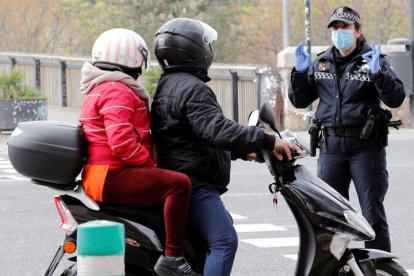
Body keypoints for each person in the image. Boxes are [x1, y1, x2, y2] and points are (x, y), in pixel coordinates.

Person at [151, 18, 299, 276]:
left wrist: (243, 151)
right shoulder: (193, 89)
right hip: (194, 184)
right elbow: (217, 130)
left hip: (181, 174)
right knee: (224, 240)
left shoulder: (168, 84)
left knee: (220, 230)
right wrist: (267, 139)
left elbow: (189, 137)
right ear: (194, 49)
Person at [78, 28, 200, 276]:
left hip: (102, 175)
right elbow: (122, 142)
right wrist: (150, 165)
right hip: (111, 174)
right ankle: (174, 257)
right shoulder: (116, 90)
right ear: (131, 58)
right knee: (179, 184)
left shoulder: (101, 86)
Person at [288, 6, 405, 252]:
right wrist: (299, 73)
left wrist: (378, 74)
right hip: (331, 148)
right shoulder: (321, 62)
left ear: (358, 31)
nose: (340, 32)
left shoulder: (373, 60)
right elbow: (299, 100)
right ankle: (337, 267)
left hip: (365, 148)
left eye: (345, 27)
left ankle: (380, 265)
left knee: (372, 212)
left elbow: (396, 98)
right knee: (330, 215)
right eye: (336, 28)